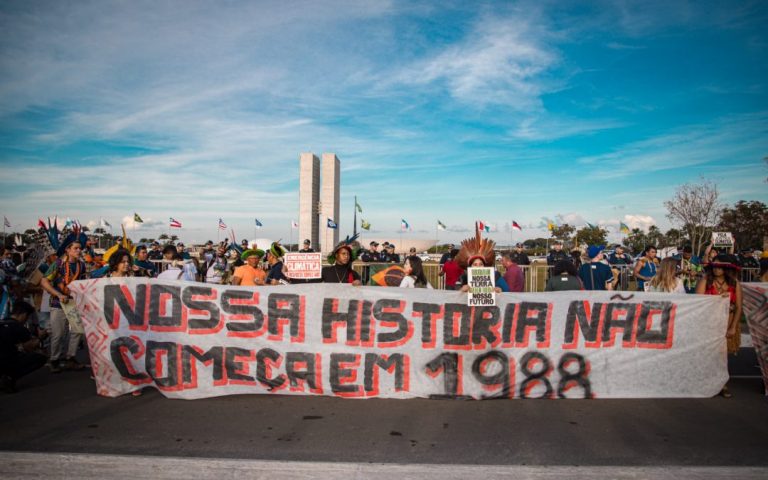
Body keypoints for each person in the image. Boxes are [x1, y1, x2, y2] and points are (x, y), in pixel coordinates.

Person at [40, 230, 89, 373]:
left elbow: (82, 283)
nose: (79, 251)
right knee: (58, 334)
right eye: (76, 248)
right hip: (58, 303)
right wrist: (58, 295)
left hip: (74, 303)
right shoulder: (58, 264)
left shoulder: (81, 265)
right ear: (67, 250)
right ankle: (54, 359)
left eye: (80, 248)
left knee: (77, 331)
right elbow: (44, 281)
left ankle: (70, 358)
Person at [696, 254, 743, 398]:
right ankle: (707, 382)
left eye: (720, 267)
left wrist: (733, 326)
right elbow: (697, 302)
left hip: (727, 322)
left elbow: (739, 307)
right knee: (709, 354)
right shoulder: (706, 280)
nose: (716, 270)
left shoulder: (734, 283)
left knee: (722, 355)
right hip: (709, 323)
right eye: (714, 266)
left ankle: (722, 383)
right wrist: (716, 302)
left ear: (726, 268)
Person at [0, 301, 47, 393]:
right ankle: (9, 377)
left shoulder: (2, 322)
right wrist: (40, 338)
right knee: (40, 358)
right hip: (7, 360)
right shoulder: (18, 327)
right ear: (24, 315)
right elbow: (29, 347)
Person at [457, 225, 509, 293]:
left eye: (480, 264)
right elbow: (456, 298)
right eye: (475, 264)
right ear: (470, 266)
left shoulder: (495, 276)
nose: (478, 267)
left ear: (484, 266)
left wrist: (500, 290)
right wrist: (461, 290)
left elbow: (507, 291)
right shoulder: (464, 278)